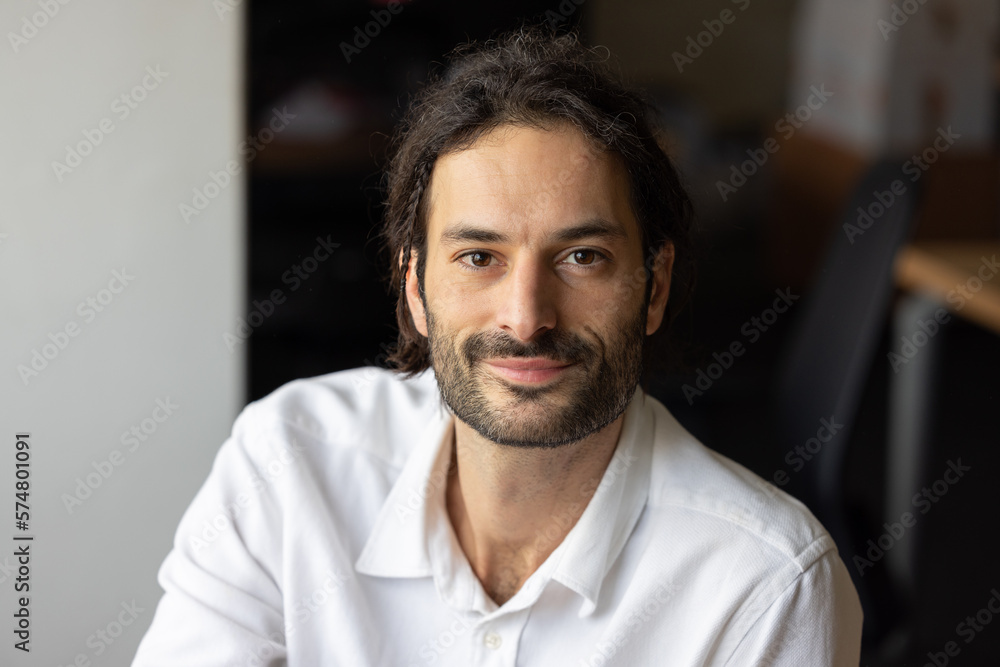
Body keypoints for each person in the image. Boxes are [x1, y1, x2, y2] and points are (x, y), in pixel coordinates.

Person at [132, 26, 862, 666]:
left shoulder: (765, 586)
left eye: (582, 257)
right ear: (416, 289)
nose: (526, 317)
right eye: (479, 257)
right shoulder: (286, 466)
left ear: (655, 285)